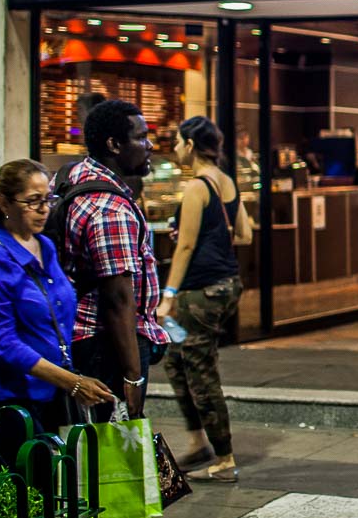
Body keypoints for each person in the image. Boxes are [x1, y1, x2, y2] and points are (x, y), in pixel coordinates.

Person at [0, 159, 114, 465]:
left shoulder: (45, 245)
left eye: (48, 199)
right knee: (32, 482)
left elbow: (59, 309)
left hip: (49, 386)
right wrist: (72, 382)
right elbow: (2, 344)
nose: (44, 209)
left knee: (57, 482)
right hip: (5, 393)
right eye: (33, 201)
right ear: (4, 203)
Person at [55, 99, 167, 424]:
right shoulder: (110, 211)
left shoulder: (72, 175)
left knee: (89, 440)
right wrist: (133, 377)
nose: (149, 146)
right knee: (114, 444)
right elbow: (117, 299)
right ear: (114, 145)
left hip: (80, 336)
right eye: (141, 137)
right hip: (107, 346)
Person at [157, 116, 250, 483]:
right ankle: (198, 441)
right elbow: (245, 233)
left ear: (192, 145)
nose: (175, 148)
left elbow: (186, 246)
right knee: (176, 360)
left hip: (199, 294)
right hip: (225, 286)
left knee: (200, 370)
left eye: (178, 142)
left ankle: (224, 458)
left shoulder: (197, 187)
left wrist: (168, 295)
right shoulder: (227, 182)